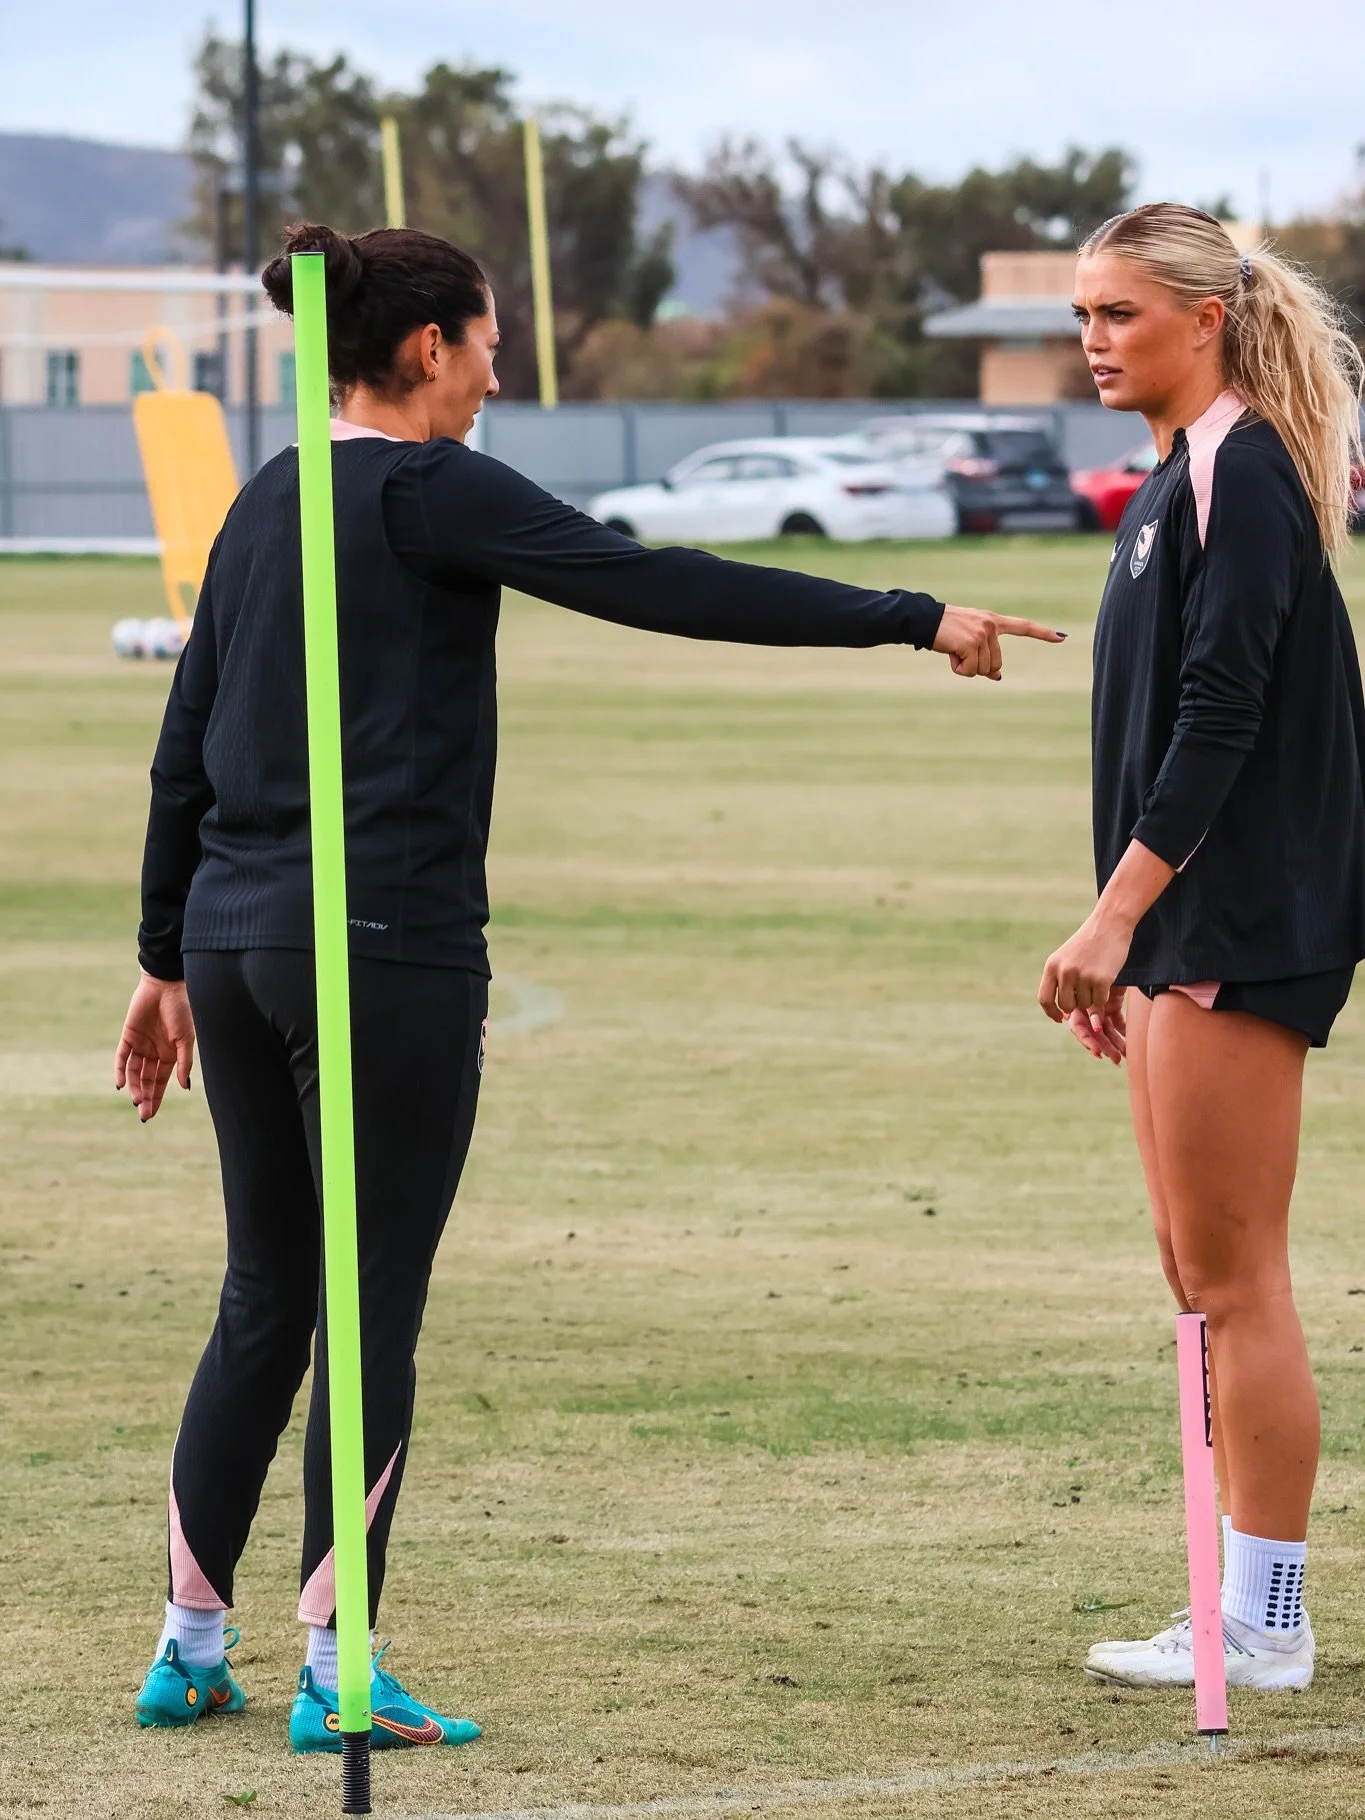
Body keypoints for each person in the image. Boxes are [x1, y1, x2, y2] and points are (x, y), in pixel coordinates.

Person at [116, 220, 1063, 1754]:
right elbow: (656, 581)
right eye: (487, 345)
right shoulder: (428, 483)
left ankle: (188, 1643)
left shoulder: (269, 495)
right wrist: (912, 615)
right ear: (428, 350)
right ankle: (334, 1669)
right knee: (370, 1307)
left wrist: (166, 959)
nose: (496, 375)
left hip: (235, 944)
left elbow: (182, 746)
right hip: (383, 947)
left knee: (268, 1294)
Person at [1038, 203, 1365, 1691]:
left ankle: (1270, 1625)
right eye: (1082, 317)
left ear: (1205, 318)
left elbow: (1224, 718)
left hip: (1246, 918)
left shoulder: (1245, 471)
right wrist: (1130, 933)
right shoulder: (1170, 480)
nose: (1093, 341)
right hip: (1181, 929)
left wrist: (1118, 919)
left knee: (1240, 1278)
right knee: (1192, 1271)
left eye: (1117, 314)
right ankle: (1236, 1599)